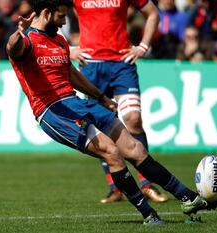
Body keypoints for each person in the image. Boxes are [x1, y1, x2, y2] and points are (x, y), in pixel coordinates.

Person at [6, 0, 217, 225]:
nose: (65, 21)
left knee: (135, 149)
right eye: (61, 16)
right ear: (46, 13)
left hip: (78, 103)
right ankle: (149, 215)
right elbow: (13, 49)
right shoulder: (28, 42)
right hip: (55, 112)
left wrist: (101, 98)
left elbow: (72, 75)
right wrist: (19, 33)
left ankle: (188, 197)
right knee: (112, 152)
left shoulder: (59, 40)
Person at [71, 0, 169, 204]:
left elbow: (153, 13)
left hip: (122, 65)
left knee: (133, 119)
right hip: (91, 66)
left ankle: (147, 184)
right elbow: (47, 13)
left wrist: (143, 46)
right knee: (101, 127)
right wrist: (69, 49)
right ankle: (116, 188)